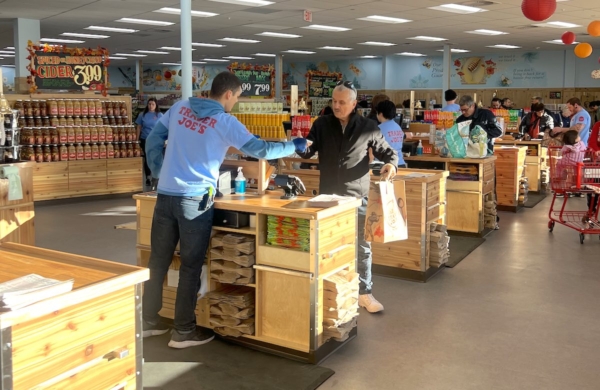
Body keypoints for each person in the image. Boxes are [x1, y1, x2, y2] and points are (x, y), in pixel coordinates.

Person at [142, 71, 308, 348]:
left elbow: (152, 140)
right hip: (194, 202)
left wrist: (160, 170)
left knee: (157, 262)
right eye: (238, 97)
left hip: (165, 196)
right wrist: (295, 145)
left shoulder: (180, 107)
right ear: (229, 94)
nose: (235, 103)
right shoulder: (224, 121)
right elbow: (262, 151)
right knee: (191, 266)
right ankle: (182, 331)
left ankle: (148, 321)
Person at [297, 81, 398, 313]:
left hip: (357, 197)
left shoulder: (368, 126)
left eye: (342, 102)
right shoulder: (321, 124)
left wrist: (391, 165)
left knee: (362, 247)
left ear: (354, 104)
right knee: (328, 246)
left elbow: (387, 152)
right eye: (334, 101)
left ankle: (365, 293)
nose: (337, 105)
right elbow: (308, 151)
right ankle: (331, 291)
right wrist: (300, 144)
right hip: (328, 198)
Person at [136, 97, 163, 187]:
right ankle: (148, 177)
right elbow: (139, 127)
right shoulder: (142, 115)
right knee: (147, 157)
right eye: (149, 104)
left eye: (153, 104)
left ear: (156, 105)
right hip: (145, 138)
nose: (151, 106)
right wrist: (137, 139)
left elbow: (164, 127)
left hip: (156, 139)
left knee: (155, 157)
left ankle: (156, 176)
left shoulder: (159, 115)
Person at [376, 100, 407, 168]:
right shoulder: (398, 127)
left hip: (386, 166)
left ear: (380, 114)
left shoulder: (378, 129)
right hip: (401, 163)